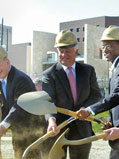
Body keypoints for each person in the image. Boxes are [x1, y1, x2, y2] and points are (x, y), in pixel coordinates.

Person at [76, 25, 119, 159]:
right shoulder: (117, 66)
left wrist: (90, 110)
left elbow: (118, 95)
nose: (105, 49)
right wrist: (110, 120)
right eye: (103, 46)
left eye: (109, 45)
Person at [42, 30, 101, 159]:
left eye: (67, 51)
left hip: (82, 129)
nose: (64, 55)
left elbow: (96, 95)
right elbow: (48, 101)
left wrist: (86, 109)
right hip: (58, 129)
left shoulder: (88, 71)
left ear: (76, 51)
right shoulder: (49, 75)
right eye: (61, 51)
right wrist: (51, 120)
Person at [0, 44, 44, 159]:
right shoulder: (2, 81)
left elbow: (19, 106)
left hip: (31, 131)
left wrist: (4, 125)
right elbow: (7, 106)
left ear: (7, 62)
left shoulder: (20, 79)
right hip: (18, 131)